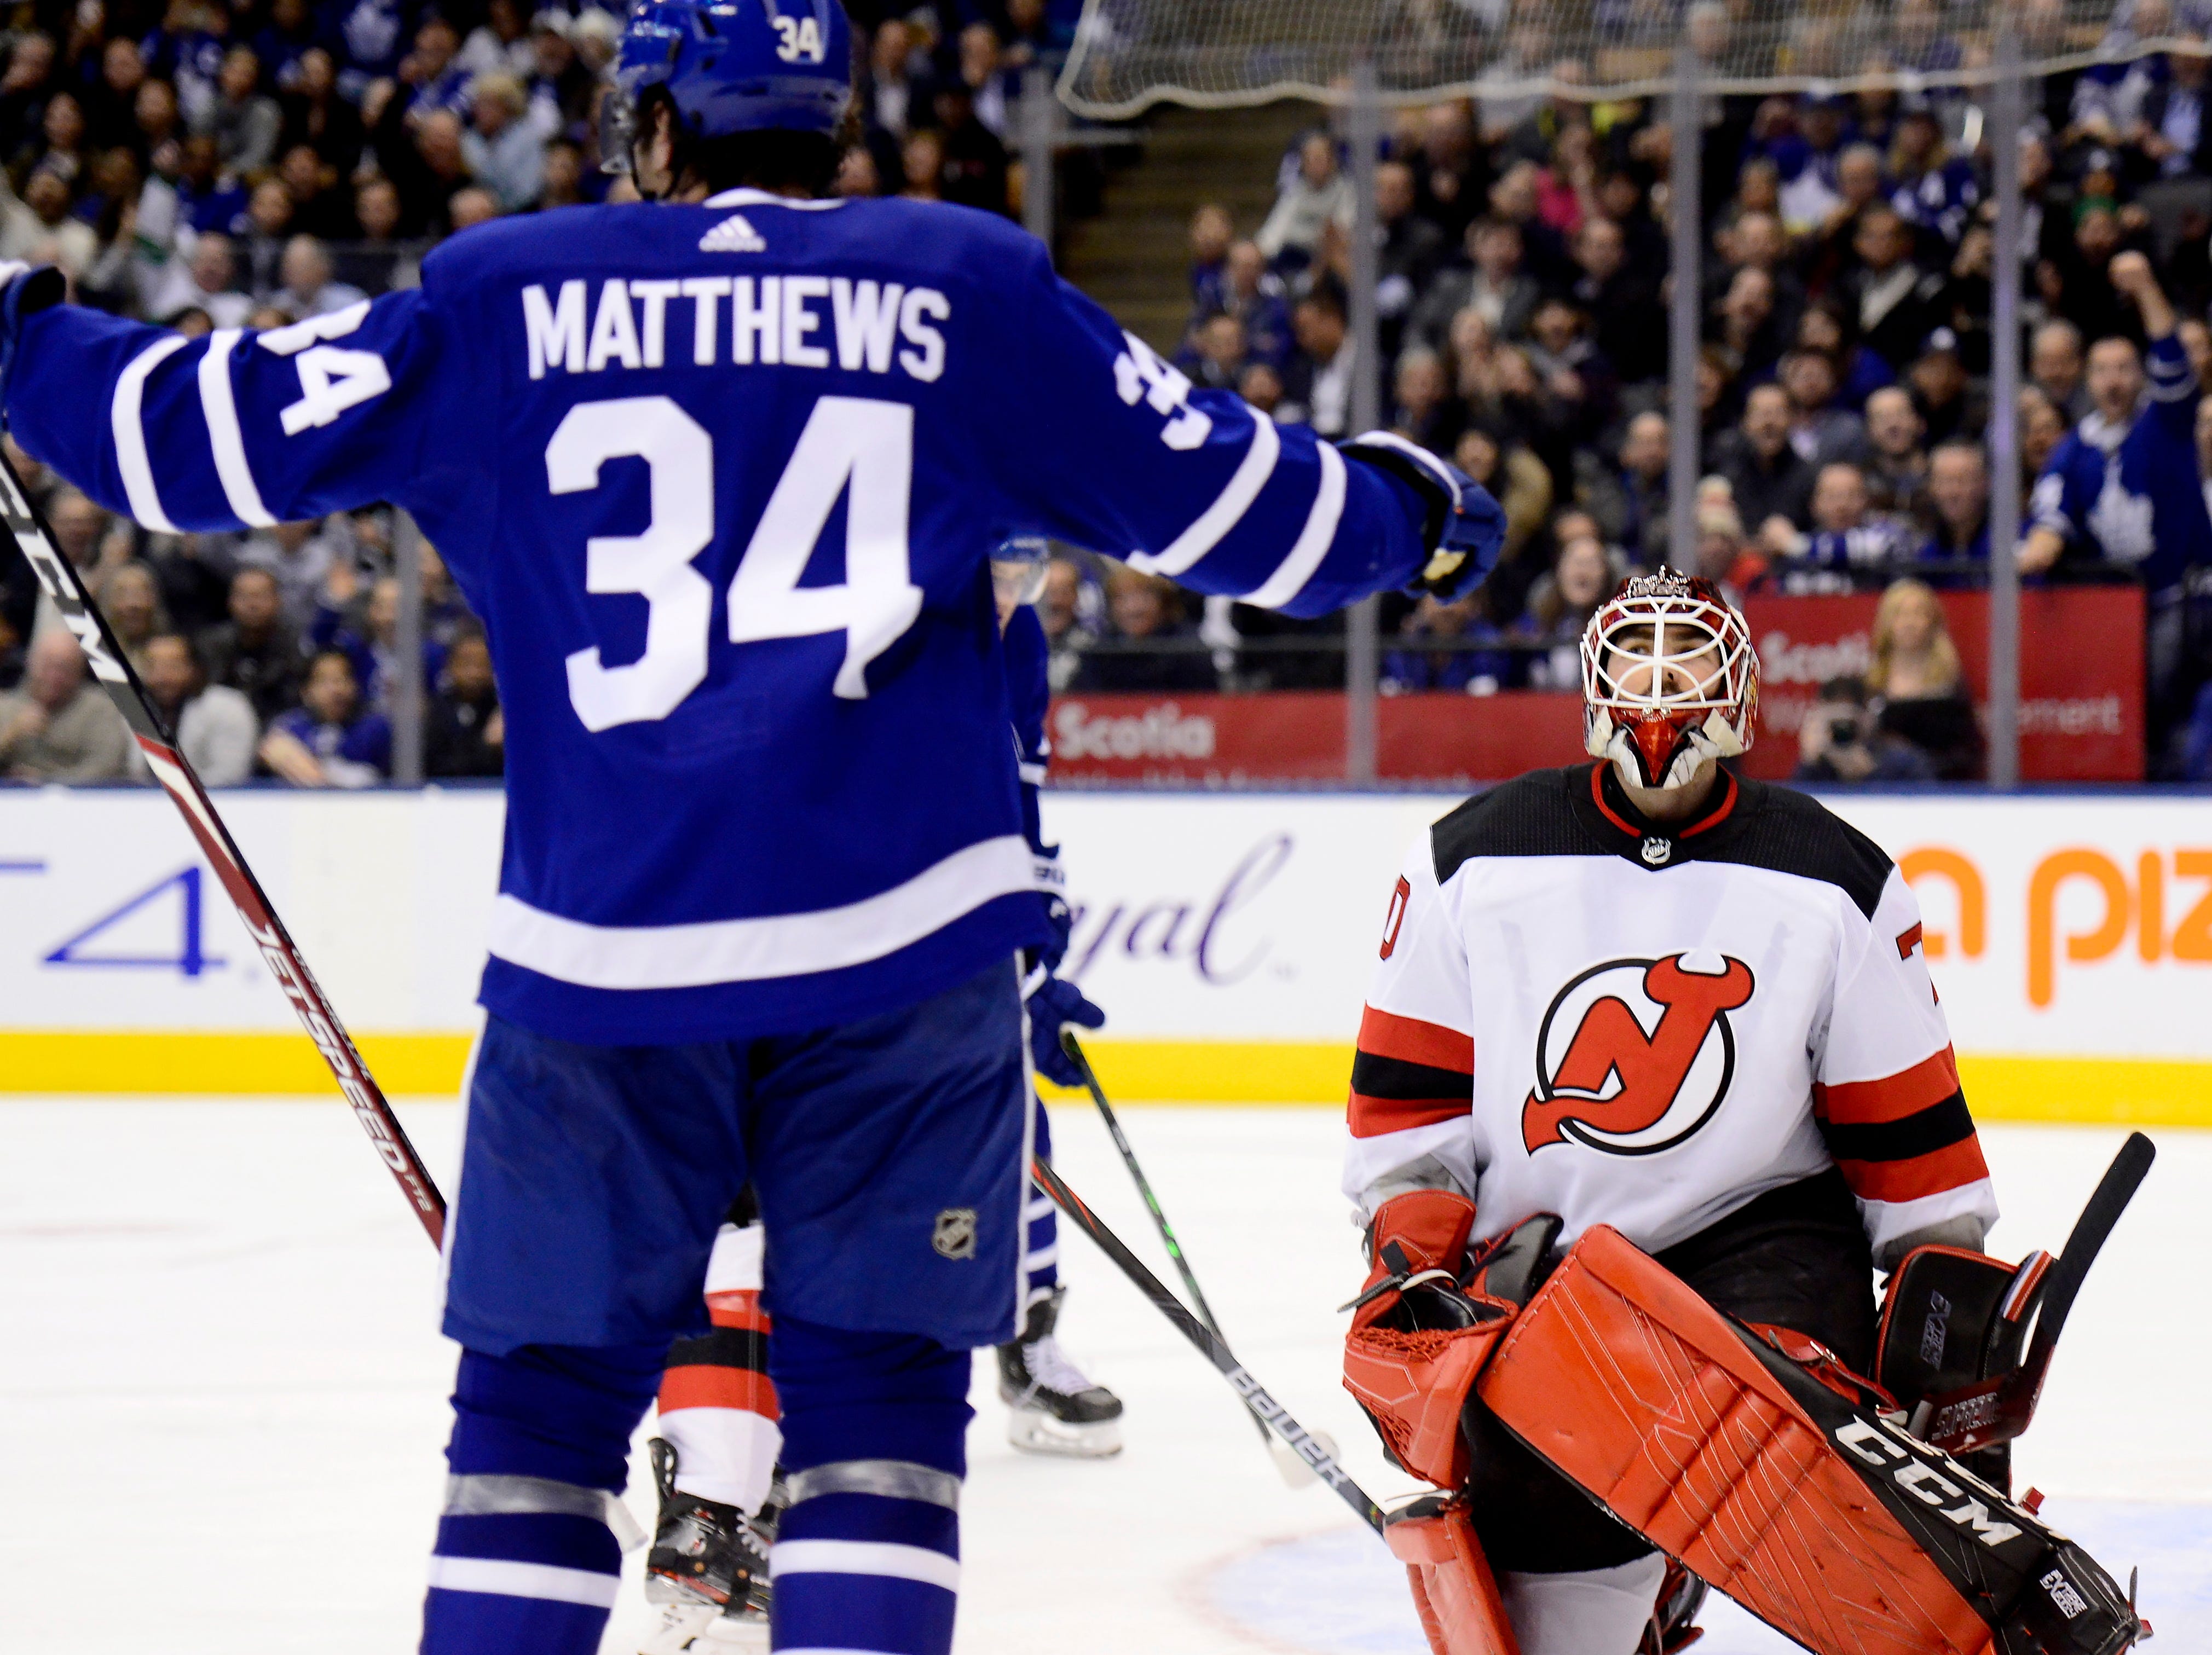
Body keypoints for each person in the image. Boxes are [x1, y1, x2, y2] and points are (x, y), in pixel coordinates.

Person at [0, 4, 1507, 1650]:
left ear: (656, 125)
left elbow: (188, 433)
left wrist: (20, 343)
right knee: (879, 1437)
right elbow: (1237, 507)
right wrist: (1411, 518)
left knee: (529, 1440)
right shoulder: (959, 283)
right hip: (901, 964)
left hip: (599, 969)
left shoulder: (509, 289)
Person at [1344, 569, 1996, 1654]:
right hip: (1541, 1270)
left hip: (1760, 1250)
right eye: (1636, 659)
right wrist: (1413, 1267)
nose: (1659, 688)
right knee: (1557, 1617)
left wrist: (1949, 1322)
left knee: (1802, 1485)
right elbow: (1408, 1111)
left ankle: (1684, 1541)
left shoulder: (1833, 878)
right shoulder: (1467, 859)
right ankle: (1638, 1591)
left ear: (1739, 691)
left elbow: (1907, 1136)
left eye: (1687, 659)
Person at [2022, 251, 2212, 769]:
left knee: (2168, 710)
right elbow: (2052, 512)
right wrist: (2042, 543)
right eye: (2103, 370)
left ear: (2139, 376)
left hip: (2180, 601)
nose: (2113, 380)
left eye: (2125, 369)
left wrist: (2146, 288)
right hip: (2114, 613)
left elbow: (2172, 359)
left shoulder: (2165, 424)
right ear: (2087, 377)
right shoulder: (2074, 447)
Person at [1864, 576, 1982, 779]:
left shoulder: (1951, 687)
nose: (1909, 623)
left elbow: (1968, 753)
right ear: (1886, 622)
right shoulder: (1869, 684)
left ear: (1934, 621)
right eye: (1900, 614)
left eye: (1919, 613)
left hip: (1937, 790)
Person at [0, 628, 134, 781]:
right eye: (48, 666)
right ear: (30, 663)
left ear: (80, 672)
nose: (54, 677)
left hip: (79, 799)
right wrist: (10, 736)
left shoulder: (100, 709)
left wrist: (46, 781)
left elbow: (106, 768)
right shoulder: (5, 706)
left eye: (65, 669)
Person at [132, 630, 259, 786]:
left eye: (173, 666)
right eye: (153, 666)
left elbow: (230, 776)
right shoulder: (136, 709)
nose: (162, 677)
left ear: (194, 668)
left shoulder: (228, 707)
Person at [258, 647, 392, 786]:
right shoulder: (289, 727)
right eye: (324, 681)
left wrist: (310, 772)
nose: (336, 690)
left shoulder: (375, 728)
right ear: (306, 692)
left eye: (343, 678)